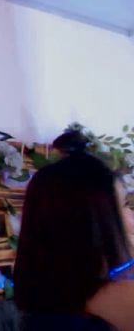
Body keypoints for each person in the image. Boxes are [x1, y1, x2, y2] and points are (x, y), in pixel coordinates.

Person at [14, 128, 134, 331]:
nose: (132, 220)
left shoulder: (38, 310)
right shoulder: (122, 301)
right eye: (125, 205)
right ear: (93, 227)